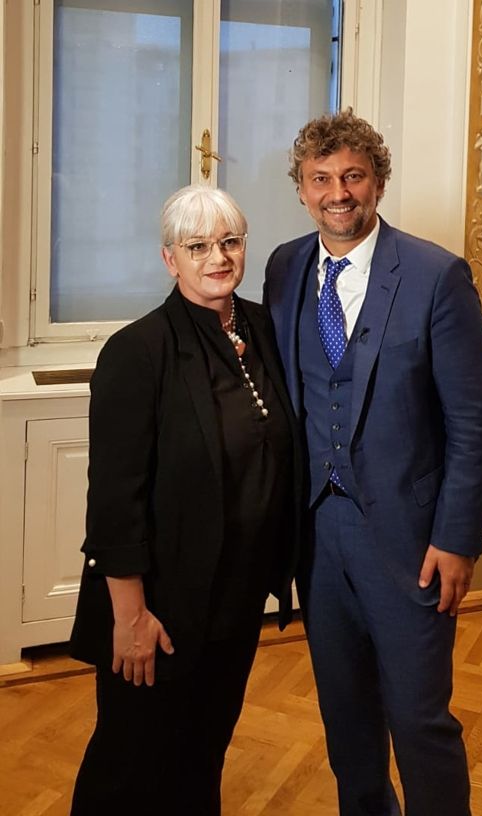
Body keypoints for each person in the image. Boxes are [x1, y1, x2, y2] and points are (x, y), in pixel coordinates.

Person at [264, 109, 482, 815]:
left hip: (409, 541)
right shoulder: (284, 267)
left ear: (377, 183)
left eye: (353, 176)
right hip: (317, 535)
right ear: (302, 190)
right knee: (345, 718)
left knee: (419, 719)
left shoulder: (434, 275)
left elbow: (471, 421)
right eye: (320, 179)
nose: (338, 192)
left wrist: (456, 540)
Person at [69, 184, 302, 816]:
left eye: (229, 242)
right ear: (170, 259)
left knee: (203, 749)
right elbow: (115, 504)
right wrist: (131, 617)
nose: (217, 258)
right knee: (129, 761)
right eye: (197, 246)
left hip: (235, 594)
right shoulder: (137, 353)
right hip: (158, 608)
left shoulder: (264, 328)